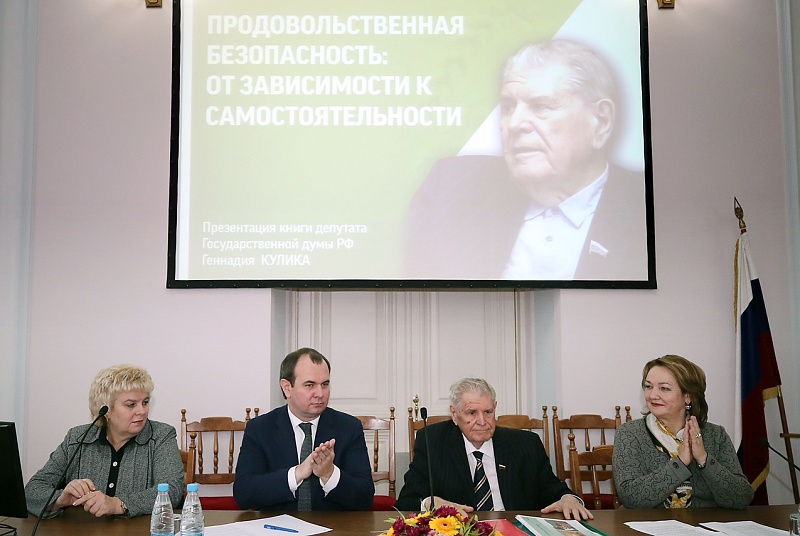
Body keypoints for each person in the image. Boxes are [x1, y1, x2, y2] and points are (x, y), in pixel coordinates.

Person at [403, 39, 647, 281]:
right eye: (508, 107)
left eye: (541, 106)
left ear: (602, 121)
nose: (514, 123)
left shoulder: (650, 206)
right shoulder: (450, 187)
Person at [396, 377, 592, 520]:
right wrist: (429, 503)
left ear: (495, 408)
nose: (482, 421)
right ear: (454, 414)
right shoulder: (432, 441)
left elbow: (552, 489)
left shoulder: (526, 444)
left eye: (488, 412)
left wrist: (568, 498)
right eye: (472, 413)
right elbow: (406, 501)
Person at [25, 364, 184, 518]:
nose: (142, 411)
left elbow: (172, 491)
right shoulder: (78, 438)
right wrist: (60, 499)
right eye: (131, 405)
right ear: (105, 410)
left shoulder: (161, 436)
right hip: (83, 530)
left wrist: (118, 504)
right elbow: (32, 490)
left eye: (145, 402)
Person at [233, 347, 374, 511]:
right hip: (278, 524)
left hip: (331, 525)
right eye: (309, 385)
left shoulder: (348, 427)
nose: (320, 393)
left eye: (325, 384)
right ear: (287, 387)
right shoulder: (260, 429)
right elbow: (244, 493)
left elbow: (365, 497)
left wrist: (329, 474)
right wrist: (297, 474)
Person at [613, 355, 754, 509]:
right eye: (648, 386)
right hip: (650, 523)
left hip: (705, 523)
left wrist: (704, 459)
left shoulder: (716, 435)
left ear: (688, 396)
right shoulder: (630, 433)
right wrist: (679, 464)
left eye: (664, 388)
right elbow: (631, 497)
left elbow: (742, 498)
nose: (652, 395)